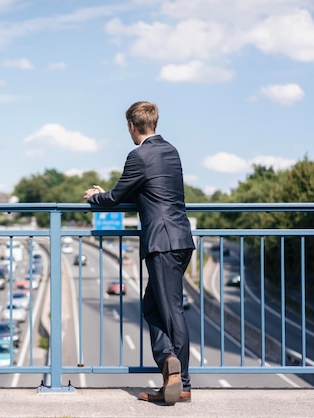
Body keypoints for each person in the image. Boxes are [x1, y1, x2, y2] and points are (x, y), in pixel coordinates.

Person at [83, 101, 195, 405]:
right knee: (151, 307)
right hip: (182, 238)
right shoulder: (171, 151)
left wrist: (95, 196)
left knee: (170, 311)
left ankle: (180, 381)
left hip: (162, 243)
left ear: (133, 126)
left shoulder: (138, 155)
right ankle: (170, 366)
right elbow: (147, 188)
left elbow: (117, 196)